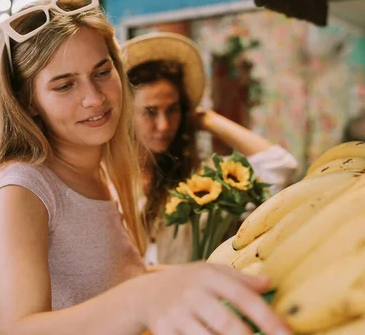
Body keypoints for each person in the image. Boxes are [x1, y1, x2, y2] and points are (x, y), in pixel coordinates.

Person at [0, 0, 291, 335]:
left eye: (101, 72)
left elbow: (117, 282)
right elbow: (19, 330)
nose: (94, 98)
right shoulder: (21, 187)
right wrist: (145, 297)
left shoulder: (98, 172)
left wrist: (202, 279)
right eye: (65, 85)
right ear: (29, 101)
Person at [122, 33, 299, 265]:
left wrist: (206, 119)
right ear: (126, 114)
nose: (164, 125)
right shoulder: (110, 182)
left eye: (173, 110)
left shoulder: (201, 183)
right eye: (151, 112)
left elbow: (280, 167)